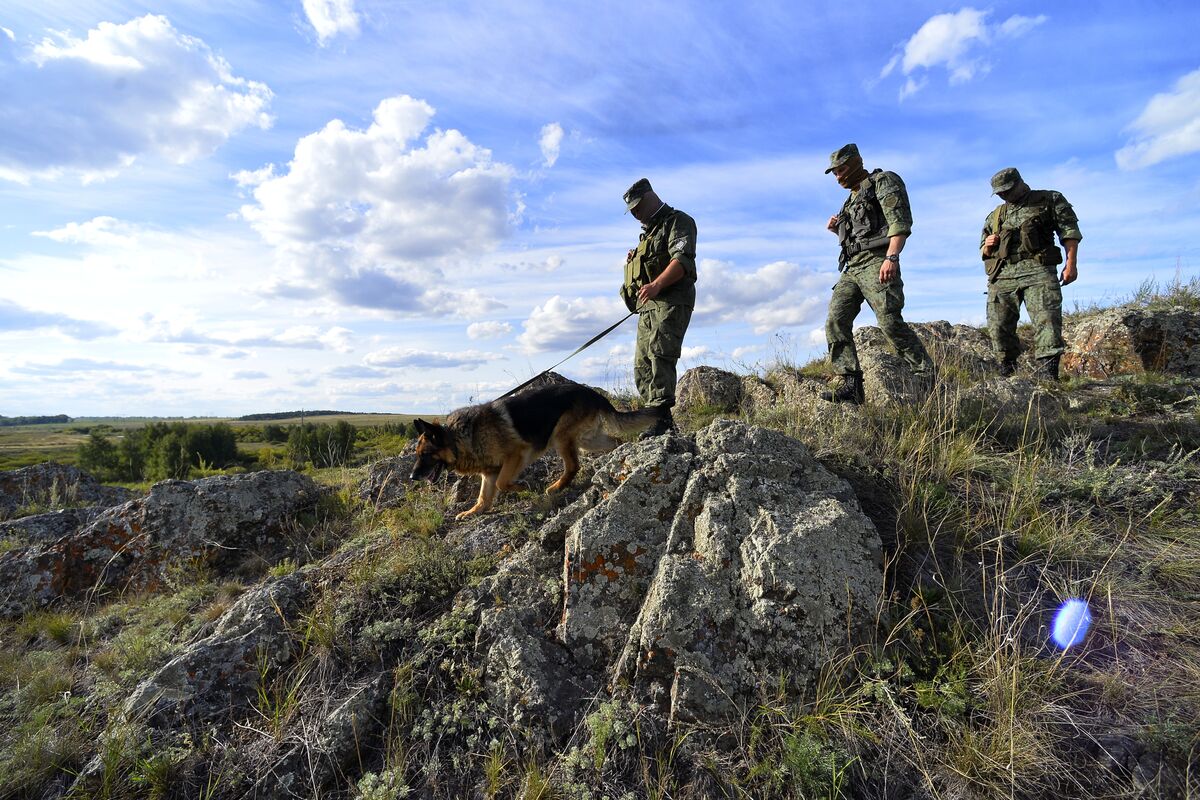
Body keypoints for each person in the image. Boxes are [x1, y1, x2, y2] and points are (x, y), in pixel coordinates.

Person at [821, 143, 933, 403]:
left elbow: (899, 221)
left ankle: (926, 376)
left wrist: (892, 257)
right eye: (835, 173)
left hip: (877, 260)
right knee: (835, 320)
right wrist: (836, 229)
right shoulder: (849, 200)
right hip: (852, 266)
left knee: (889, 320)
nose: (838, 177)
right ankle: (851, 384)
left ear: (857, 162)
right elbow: (857, 235)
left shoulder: (883, 181)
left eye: (842, 170)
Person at [980, 167, 1081, 380]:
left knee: (1047, 322)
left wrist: (1071, 263)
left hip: (1038, 271)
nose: (1003, 195)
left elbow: (1069, 231)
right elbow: (984, 249)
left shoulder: (1048, 199)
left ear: (1019, 183)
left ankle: (1049, 377)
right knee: (998, 327)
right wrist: (988, 245)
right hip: (1003, 275)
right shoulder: (996, 215)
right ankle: (1007, 374)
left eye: (1006, 190)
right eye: (999, 193)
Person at [621, 178, 697, 437]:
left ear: (650, 197)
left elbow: (682, 260)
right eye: (631, 210)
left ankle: (661, 420)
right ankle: (656, 419)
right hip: (648, 307)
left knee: (660, 352)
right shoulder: (646, 237)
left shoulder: (678, 221)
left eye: (637, 206)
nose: (634, 213)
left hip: (672, 299)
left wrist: (656, 284)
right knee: (642, 363)